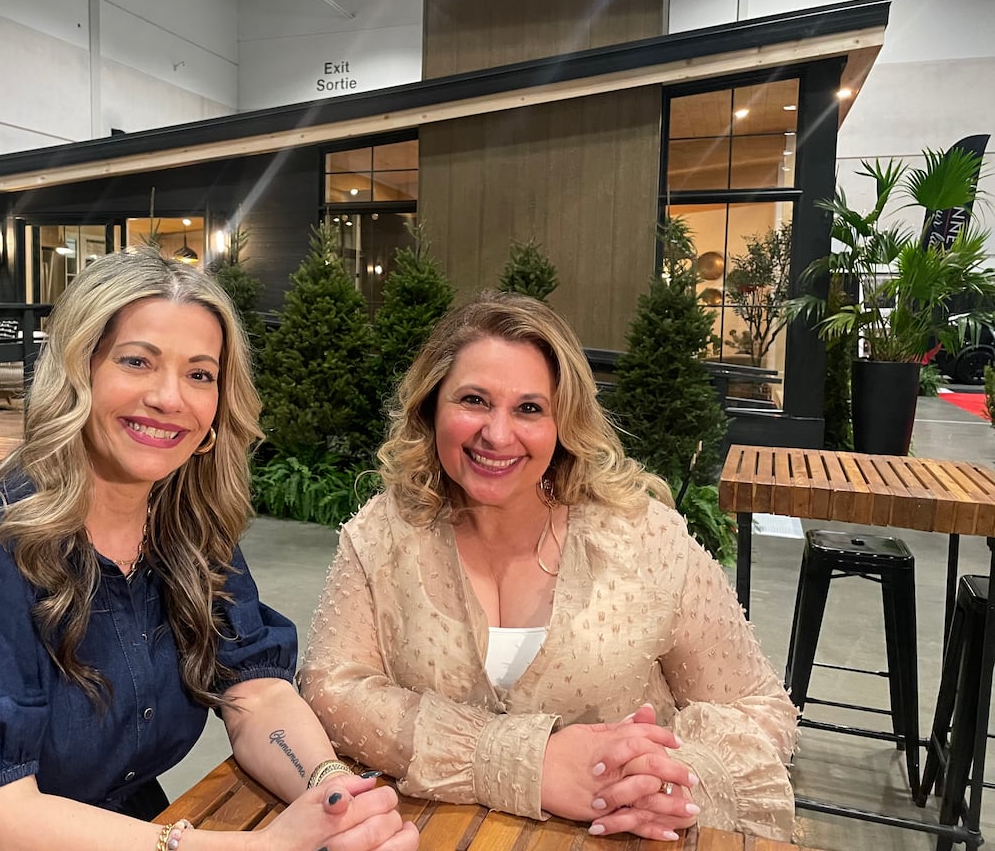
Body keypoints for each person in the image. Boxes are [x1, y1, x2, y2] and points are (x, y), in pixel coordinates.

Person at [0, 247, 418, 851]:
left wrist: (331, 797)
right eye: (137, 362)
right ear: (77, 372)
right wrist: (267, 847)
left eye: (200, 374)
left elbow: (256, 690)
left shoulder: (190, 531)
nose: (171, 398)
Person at [299, 292, 798, 843]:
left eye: (529, 408)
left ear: (565, 422)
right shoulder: (383, 533)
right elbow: (330, 687)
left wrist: (669, 783)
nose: (497, 433)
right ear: (431, 406)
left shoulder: (645, 538)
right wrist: (527, 765)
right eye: (473, 400)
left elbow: (760, 709)